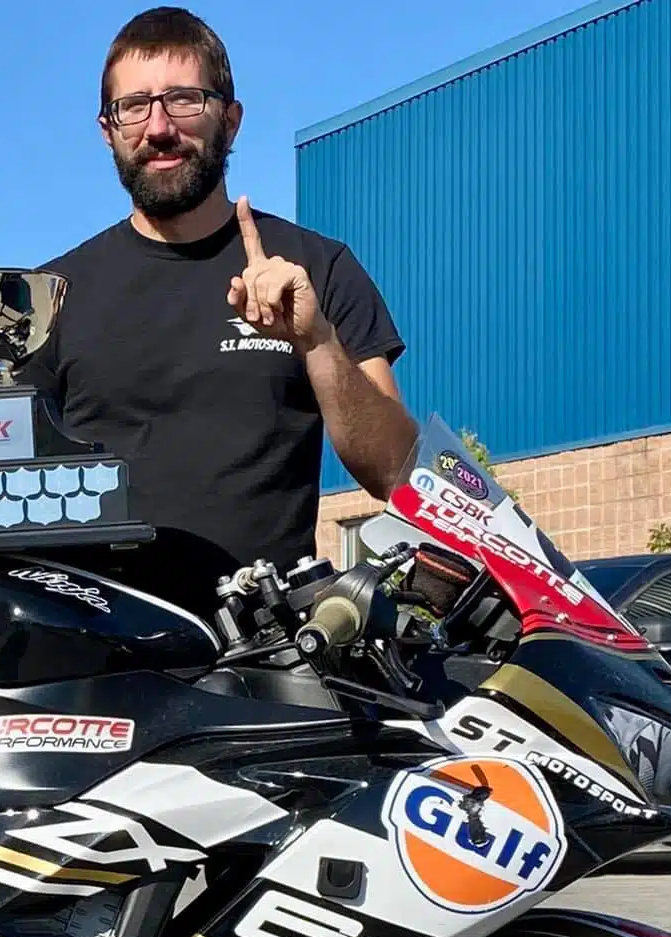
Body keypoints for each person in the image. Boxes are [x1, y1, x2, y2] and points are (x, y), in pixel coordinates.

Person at [27, 7, 419, 609]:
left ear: (230, 122)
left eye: (185, 100)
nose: (158, 128)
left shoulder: (316, 267)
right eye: (134, 106)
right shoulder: (53, 293)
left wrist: (317, 343)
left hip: (270, 656)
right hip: (99, 653)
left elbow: (394, 472)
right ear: (108, 131)